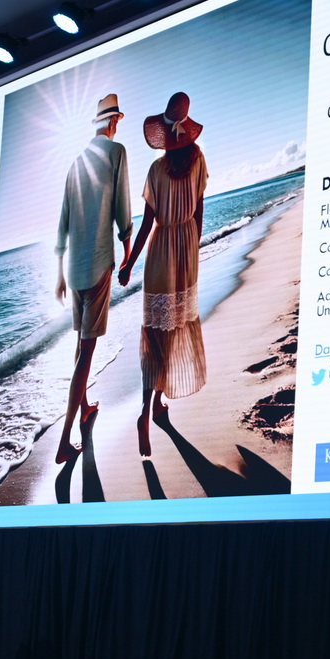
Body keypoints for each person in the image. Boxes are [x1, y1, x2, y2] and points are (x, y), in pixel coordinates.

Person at [118, 92, 208, 458]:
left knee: (154, 334)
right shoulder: (198, 160)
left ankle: (147, 409)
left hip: (158, 252)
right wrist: (193, 250)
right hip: (184, 250)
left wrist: (129, 263)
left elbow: (146, 226)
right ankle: (154, 406)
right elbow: (199, 212)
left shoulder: (156, 170)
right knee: (171, 333)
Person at [54, 93, 132, 463]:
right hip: (99, 262)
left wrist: (59, 272)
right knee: (86, 352)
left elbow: (64, 221)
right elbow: (122, 207)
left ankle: (84, 407)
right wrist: (128, 248)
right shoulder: (116, 152)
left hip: (74, 269)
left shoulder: (76, 162)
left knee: (80, 344)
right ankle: (64, 441)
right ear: (114, 121)